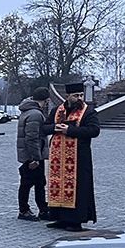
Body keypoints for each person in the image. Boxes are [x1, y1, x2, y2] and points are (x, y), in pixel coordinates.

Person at [45, 83, 100, 231]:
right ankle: (60, 218)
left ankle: (76, 220)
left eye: (81, 95)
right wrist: (54, 128)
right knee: (58, 185)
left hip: (79, 157)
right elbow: (44, 128)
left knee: (78, 188)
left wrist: (70, 130)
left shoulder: (88, 111)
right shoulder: (57, 110)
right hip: (58, 157)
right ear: (67, 96)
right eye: (76, 96)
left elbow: (94, 130)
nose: (79, 98)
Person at [16, 87, 52, 221]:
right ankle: (24, 210)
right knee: (28, 183)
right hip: (33, 155)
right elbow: (32, 138)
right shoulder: (35, 114)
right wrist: (35, 158)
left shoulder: (28, 111)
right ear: (47, 100)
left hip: (31, 153)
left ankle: (43, 209)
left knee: (38, 182)